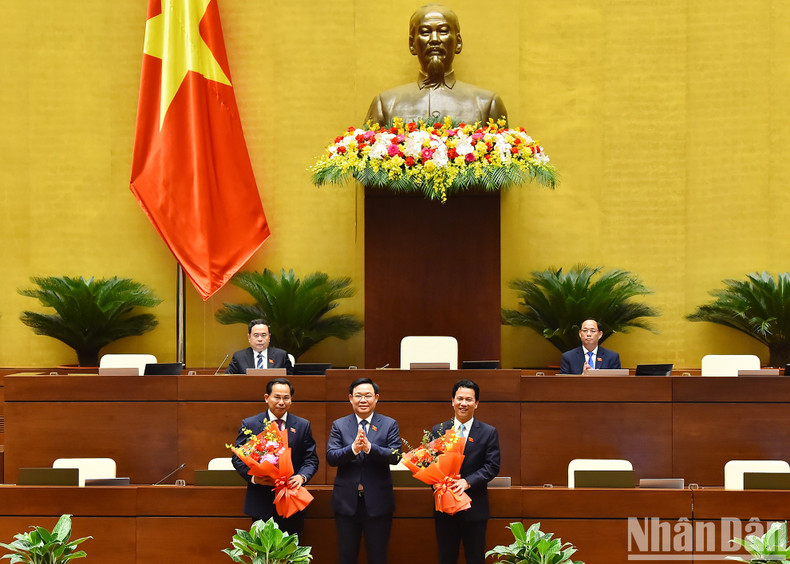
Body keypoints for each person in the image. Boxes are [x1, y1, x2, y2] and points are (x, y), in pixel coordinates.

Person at [365, 4, 507, 125]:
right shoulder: (386, 105)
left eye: (443, 31)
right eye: (425, 32)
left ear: (458, 42)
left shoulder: (486, 104)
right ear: (411, 44)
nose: (434, 39)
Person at [230, 377, 318, 537]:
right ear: (267, 398)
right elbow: (238, 458)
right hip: (260, 499)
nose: (281, 402)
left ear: (291, 400)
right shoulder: (251, 424)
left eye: (286, 398)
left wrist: (301, 476)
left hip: (291, 499)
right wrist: (254, 479)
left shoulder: (302, 425)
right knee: (262, 555)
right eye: (277, 397)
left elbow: (311, 458)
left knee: (290, 554)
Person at [326, 377, 401, 564]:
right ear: (350, 398)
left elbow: (396, 455)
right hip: (347, 503)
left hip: (378, 503)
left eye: (368, 395)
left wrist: (370, 448)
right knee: (346, 556)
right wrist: (353, 449)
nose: (363, 400)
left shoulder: (389, 424)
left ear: (376, 398)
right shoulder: (339, 425)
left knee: (378, 556)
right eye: (358, 395)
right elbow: (331, 457)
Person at [429, 379, 500, 564]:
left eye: (469, 400)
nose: (463, 403)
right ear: (452, 400)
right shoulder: (438, 430)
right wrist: (438, 484)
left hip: (474, 508)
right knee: (446, 558)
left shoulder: (488, 432)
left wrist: (466, 482)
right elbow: (428, 465)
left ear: (476, 403)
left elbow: (492, 466)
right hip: (445, 510)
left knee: (475, 558)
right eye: (459, 398)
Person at [226, 318, 293, 374]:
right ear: (249, 337)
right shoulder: (239, 357)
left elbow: (292, 380)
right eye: (256, 335)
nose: (260, 339)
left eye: (263, 335)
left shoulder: (281, 356)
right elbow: (227, 379)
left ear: (269, 337)